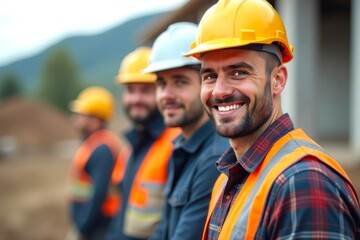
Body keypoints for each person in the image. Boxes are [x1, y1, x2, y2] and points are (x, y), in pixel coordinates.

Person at [183, 0, 360, 239]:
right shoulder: (228, 179)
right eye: (210, 76)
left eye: (238, 73)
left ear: (278, 80)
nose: (220, 91)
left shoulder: (304, 181)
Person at [143, 22, 230, 240]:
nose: (166, 95)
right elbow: (164, 229)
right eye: (161, 84)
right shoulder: (181, 147)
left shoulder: (214, 159)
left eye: (180, 82)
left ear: (206, 84)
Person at [105, 47, 181, 240]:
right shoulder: (131, 147)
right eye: (130, 90)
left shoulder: (177, 144)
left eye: (146, 90)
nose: (136, 99)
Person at [67, 86, 124, 240]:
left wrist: (82, 228)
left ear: (95, 121)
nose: (75, 119)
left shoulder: (102, 149)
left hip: (98, 228)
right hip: (93, 226)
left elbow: (98, 194)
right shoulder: (94, 144)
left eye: (80, 115)